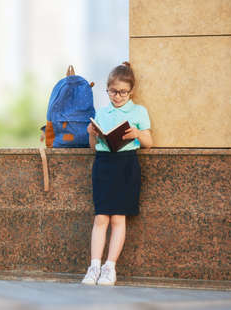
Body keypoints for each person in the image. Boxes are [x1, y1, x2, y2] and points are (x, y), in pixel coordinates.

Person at [82, 62, 153, 286]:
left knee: (118, 218)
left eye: (122, 92)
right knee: (101, 217)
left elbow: (149, 143)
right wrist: (91, 134)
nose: (117, 96)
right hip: (103, 164)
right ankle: (93, 267)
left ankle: (109, 268)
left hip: (126, 165)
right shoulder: (101, 113)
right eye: (113, 91)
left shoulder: (139, 111)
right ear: (108, 89)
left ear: (131, 91)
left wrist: (138, 133)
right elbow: (93, 146)